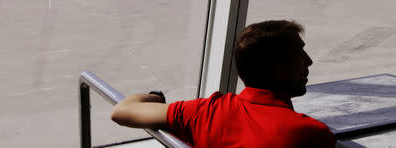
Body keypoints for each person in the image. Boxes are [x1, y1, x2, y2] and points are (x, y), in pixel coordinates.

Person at [111, 20, 335, 147]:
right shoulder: (310, 134)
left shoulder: (205, 112)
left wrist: (156, 98)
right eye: (299, 55)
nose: (309, 62)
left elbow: (122, 111)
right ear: (277, 68)